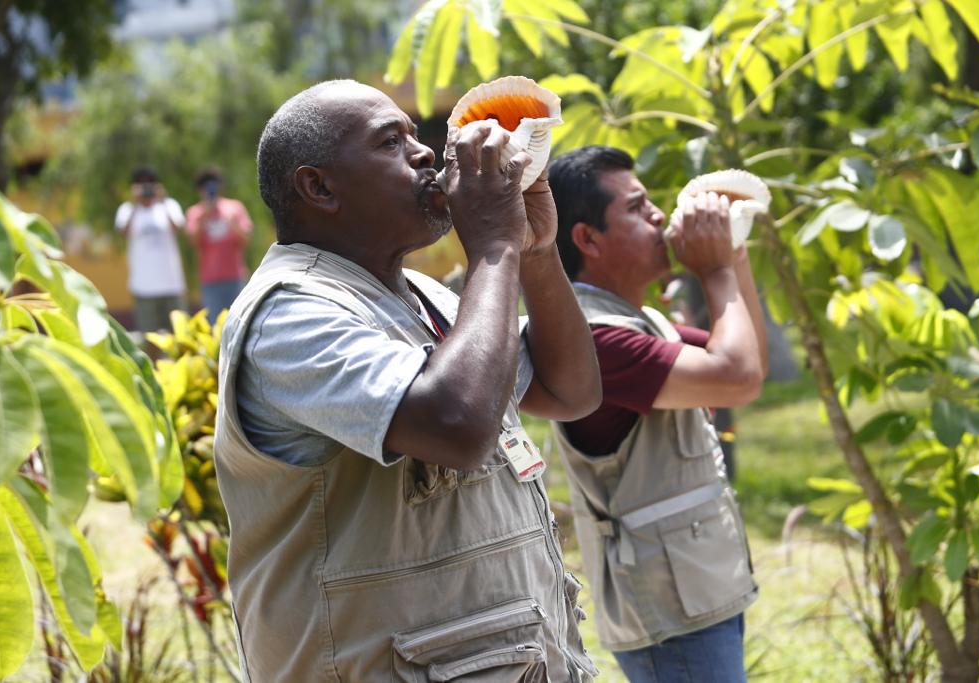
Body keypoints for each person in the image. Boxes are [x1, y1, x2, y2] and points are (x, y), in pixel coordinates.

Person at [212, 79, 602, 682]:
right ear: (318, 187)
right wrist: (494, 246)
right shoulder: (287, 313)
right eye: (391, 142)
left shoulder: (422, 294)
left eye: (416, 136)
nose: (424, 153)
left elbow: (570, 390)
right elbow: (458, 426)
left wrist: (535, 250)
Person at [547, 146, 769, 683]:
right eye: (637, 207)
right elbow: (736, 376)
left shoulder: (639, 321)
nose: (658, 216)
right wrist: (716, 270)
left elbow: (748, 364)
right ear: (587, 239)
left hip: (696, 591)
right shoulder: (595, 339)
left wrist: (733, 257)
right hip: (672, 613)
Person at [115, 165, 187, 335]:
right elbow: (123, 232)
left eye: (150, 184)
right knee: (150, 337)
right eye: (141, 184)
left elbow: (178, 228)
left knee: (181, 335)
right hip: (144, 286)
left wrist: (162, 200)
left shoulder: (169, 205)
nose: (146, 188)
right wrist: (134, 204)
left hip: (172, 284)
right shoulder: (127, 209)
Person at [185, 166, 254, 321]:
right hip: (210, 281)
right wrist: (204, 217)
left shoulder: (234, 207)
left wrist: (233, 224)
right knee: (215, 326)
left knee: (241, 321)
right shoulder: (195, 213)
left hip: (235, 277)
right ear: (199, 190)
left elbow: (247, 239)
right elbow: (192, 242)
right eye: (205, 186)